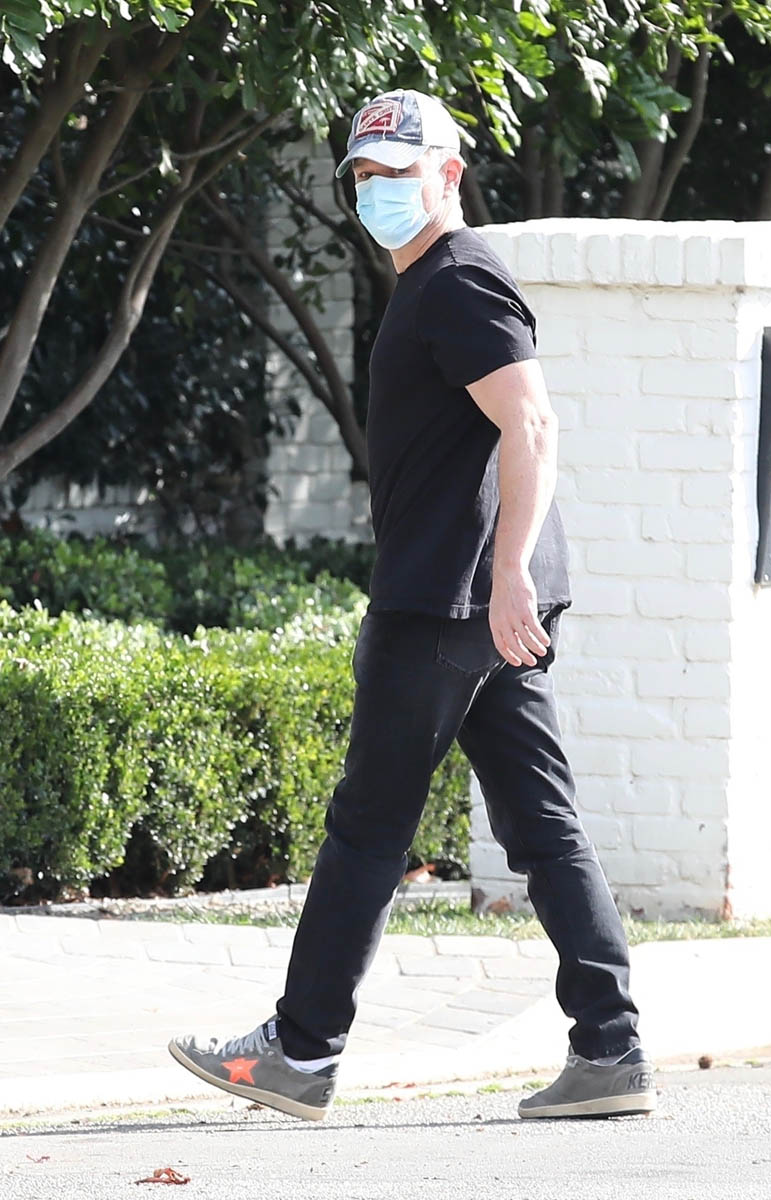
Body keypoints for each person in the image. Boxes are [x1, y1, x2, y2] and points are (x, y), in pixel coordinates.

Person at [169, 88, 655, 1123]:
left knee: (366, 830)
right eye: (362, 174)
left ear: (449, 173)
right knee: (543, 827)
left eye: (397, 170)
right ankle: (609, 1050)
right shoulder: (433, 281)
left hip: (445, 602)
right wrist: (507, 584)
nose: (377, 188)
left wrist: (509, 572)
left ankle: (300, 1052)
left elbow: (531, 426)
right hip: (476, 604)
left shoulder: (458, 277)